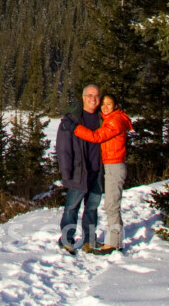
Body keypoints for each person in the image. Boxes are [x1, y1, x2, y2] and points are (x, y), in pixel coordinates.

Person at [75, 93, 133, 253]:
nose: (105, 107)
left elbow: (97, 136)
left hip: (115, 166)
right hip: (110, 165)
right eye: (103, 104)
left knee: (112, 206)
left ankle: (114, 243)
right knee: (111, 205)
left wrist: (77, 128)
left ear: (116, 106)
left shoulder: (115, 121)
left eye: (109, 104)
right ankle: (115, 240)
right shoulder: (111, 119)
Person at [55, 84, 104, 253]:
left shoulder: (102, 119)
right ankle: (66, 240)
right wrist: (66, 171)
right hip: (78, 171)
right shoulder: (72, 120)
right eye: (90, 95)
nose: (93, 99)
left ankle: (89, 241)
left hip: (97, 171)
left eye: (96, 96)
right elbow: (63, 148)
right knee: (71, 207)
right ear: (83, 97)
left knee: (92, 207)